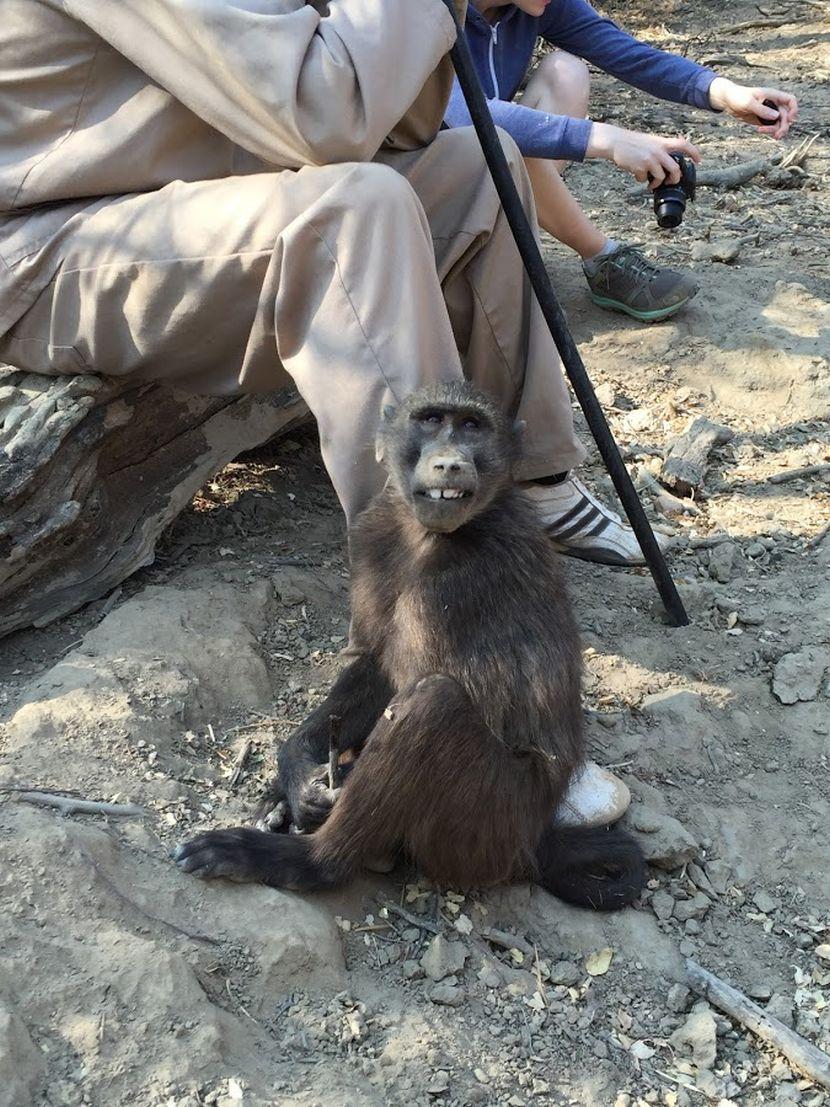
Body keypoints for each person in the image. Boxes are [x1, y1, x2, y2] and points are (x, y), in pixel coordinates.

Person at [1, 0, 643, 824]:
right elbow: (324, 112)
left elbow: (402, 125)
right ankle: (457, 670)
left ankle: (534, 482)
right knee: (356, 214)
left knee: (480, 170)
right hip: (48, 237)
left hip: (191, 191)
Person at [445, 0, 798, 322]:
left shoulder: (534, 4)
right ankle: (602, 258)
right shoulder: (426, 11)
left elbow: (625, 53)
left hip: (482, 171)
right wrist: (606, 139)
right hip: (423, 192)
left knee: (566, 71)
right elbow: (461, 113)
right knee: (512, 139)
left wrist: (723, 92)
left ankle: (510, 240)